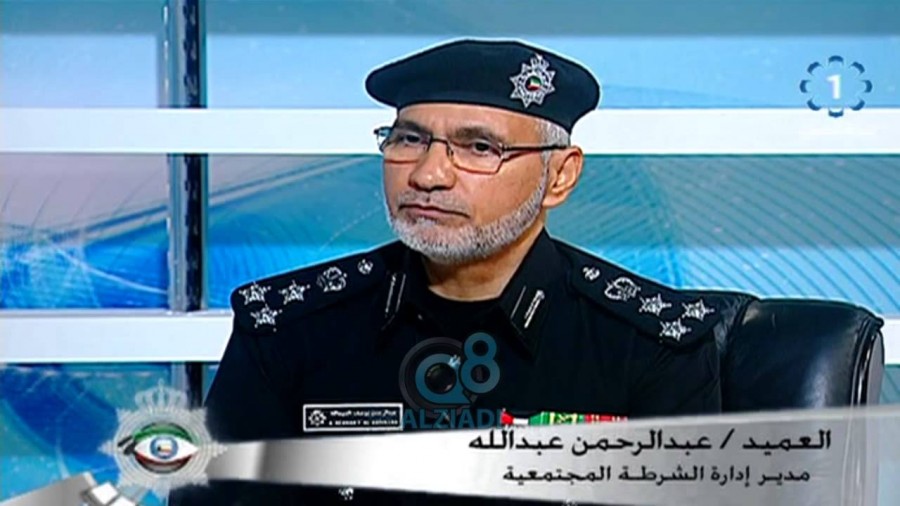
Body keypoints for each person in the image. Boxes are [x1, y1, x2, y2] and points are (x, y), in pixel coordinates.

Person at [170, 38, 725, 505]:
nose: (428, 174)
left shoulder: (650, 344)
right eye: (409, 139)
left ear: (559, 177)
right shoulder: (290, 326)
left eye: (479, 147)